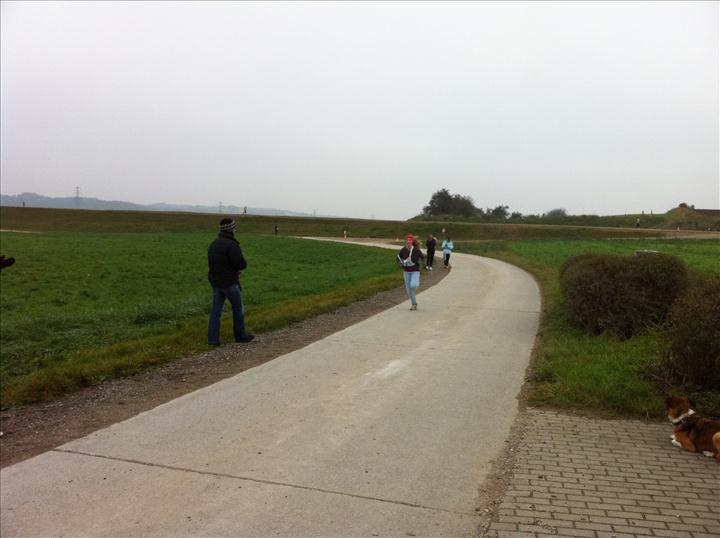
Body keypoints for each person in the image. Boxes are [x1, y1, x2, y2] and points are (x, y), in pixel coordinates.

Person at [207, 218, 254, 345]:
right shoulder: (232, 245)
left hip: (216, 282)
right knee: (238, 308)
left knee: (216, 311)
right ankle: (240, 336)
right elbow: (241, 264)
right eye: (234, 227)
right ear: (231, 229)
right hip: (230, 283)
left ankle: (212, 339)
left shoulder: (213, 244)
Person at [397, 234, 424, 310]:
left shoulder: (416, 250)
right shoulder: (403, 250)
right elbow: (398, 258)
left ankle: (415, 282)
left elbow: (423, 257)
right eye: (407, 240)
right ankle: (414, 304)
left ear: (412, 242)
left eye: (410, 240)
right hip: (406, 272)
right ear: (405, 241)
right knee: (409, 290)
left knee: (413, 285)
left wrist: (424, 264)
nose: (408, 241)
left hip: (415, 271)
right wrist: (400, 263)